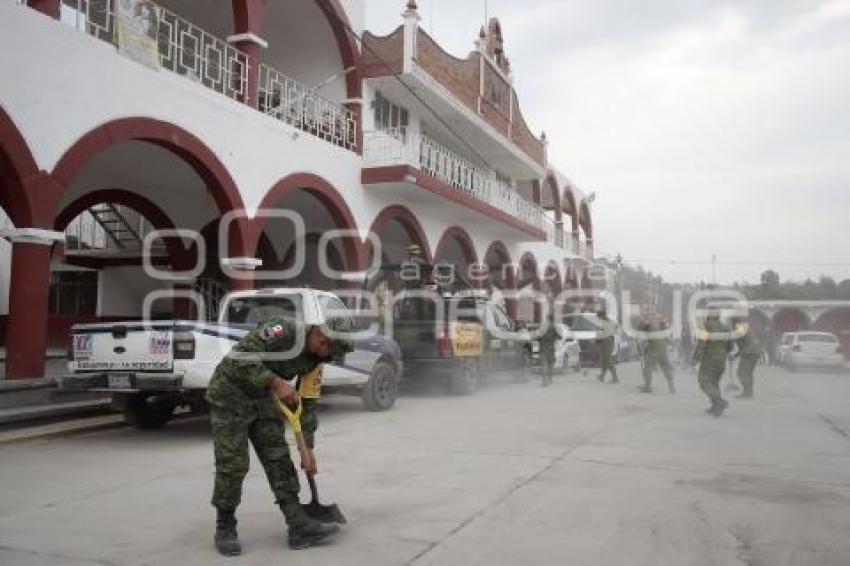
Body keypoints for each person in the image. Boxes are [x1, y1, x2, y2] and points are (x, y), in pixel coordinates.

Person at [206, 315, 353, 555]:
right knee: (233, 464)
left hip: (262, 398)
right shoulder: (282, 330)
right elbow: (240, 356)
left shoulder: (316, 359)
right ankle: (225, 527)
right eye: (326, 350)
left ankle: (298, 526)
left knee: (279, 459)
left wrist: (308, 448)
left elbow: (309, 402)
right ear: (322, 337)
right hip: (229, 394)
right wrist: (276, 382)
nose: (323, 358)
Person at [692, 309, 733, 416]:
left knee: (703, 381)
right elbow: (730, 346)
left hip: (709, 359)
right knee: (714, 382)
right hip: (721, 360)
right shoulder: (726, 327)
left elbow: (702, 343)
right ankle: (715, 407)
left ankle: (719, 402)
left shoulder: (706, 326)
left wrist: (695, 359)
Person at [638, 315, 675, 394]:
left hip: (654, 350)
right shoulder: (660, 327)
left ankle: (647, 387)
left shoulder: (649, 327)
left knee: (647, 368)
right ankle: (671, 386)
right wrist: (671, 344)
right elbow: (667, 338)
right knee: (666, 368)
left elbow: (641, 329)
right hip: (663, 351)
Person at [731, 320, 763, 399]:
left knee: (741, 372)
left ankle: (747, 392)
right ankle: (749, 392)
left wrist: (735, 355)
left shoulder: (739, 330)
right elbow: (743, 345)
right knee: (748, 373)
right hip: (755, 352)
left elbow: (741, 346)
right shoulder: (745, 329)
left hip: (749, 353)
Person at [538, 312, 561, 387]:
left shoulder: (542, 326)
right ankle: (549, 379)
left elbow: (538, 336)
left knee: (544, 364)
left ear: (547, 318)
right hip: (550, 348)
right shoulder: (553, 327)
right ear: (552, 319)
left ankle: (544, 380)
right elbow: (559, 337)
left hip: (543, 348)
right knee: (550, 364)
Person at [595, 310, 619, 384]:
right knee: (605, 360)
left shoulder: (600, 323)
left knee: (607, 360)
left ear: (600, 316)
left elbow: (599, 335)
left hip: (604, 341)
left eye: (598, 317)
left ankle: (615, 378)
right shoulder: (611, 321)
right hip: (611, 340)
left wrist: (597, 345)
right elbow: (616, 328)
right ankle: (602, 376)